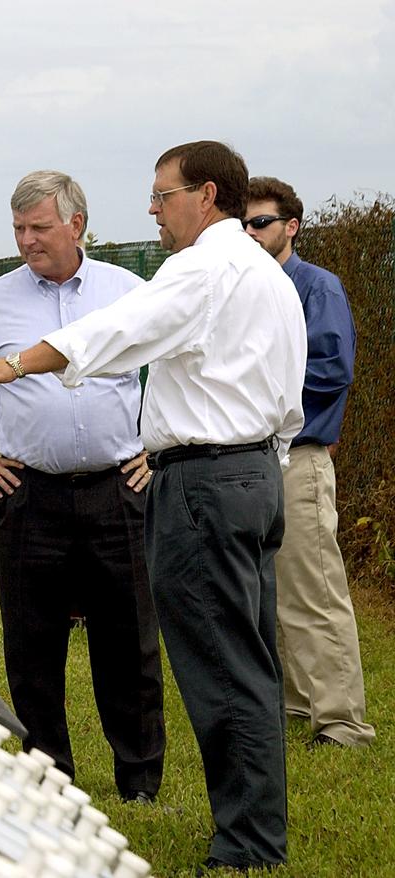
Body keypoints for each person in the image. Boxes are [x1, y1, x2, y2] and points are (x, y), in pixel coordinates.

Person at [0, 142, 307, 873]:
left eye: (162, 195)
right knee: (250, 663)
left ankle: (249, 846)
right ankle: (257, 827)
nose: (152, 209)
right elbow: (287, 397)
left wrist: (13, 363)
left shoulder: (201, 269)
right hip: (255, 475)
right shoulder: (266, 274)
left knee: (222, 669)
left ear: (205, 196)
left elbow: (111, 335)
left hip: (206, 485)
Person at [0, 171, 165, 804]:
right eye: (18, 229)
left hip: (118, 490)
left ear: (76, 225)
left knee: (130, 639)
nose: (26, 240)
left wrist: (157, 448)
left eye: (38, 227)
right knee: (32, 641)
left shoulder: (127, 291)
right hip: (29, 496)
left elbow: (176, 367)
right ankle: (48, 776)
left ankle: (140, 780)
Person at [244, 175, 372, 749]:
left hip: (298, 458)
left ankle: (343, 721)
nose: (251, 232)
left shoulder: (316, 287)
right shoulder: (246, 286)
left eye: (262, 222)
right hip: (252, 459)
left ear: (291, 226)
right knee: (271, 588)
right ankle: (299, 704)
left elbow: (331, 370)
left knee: (314, 589)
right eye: (243, 223)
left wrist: (250, 390)